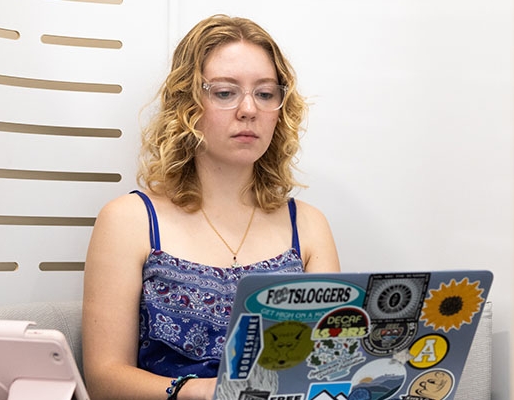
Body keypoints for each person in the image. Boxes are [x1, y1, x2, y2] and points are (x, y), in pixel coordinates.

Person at [81, 14, 340, 400]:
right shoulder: (128, 220)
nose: (249, 109)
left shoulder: (309, 225)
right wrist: (202, 393)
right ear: (187, 104)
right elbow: (104, 380)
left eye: (266, 93)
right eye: (225, 92)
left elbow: (327, 363)